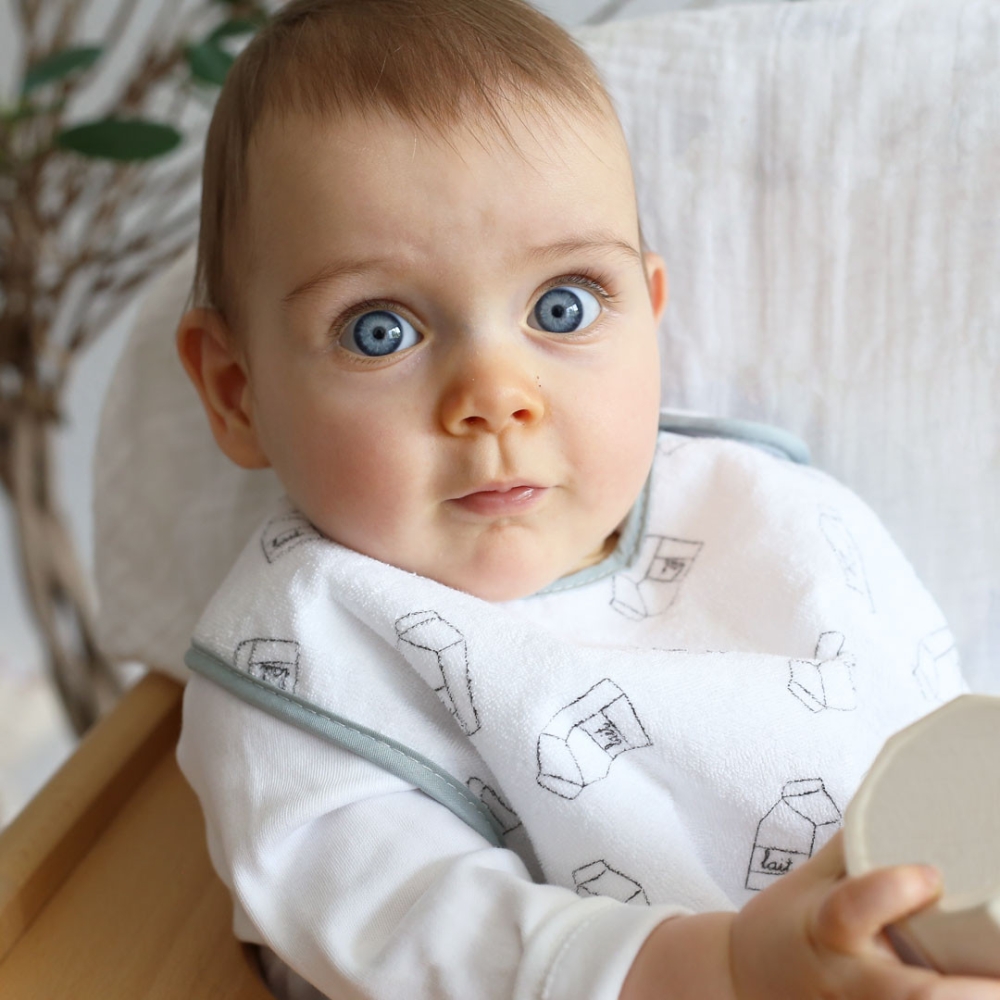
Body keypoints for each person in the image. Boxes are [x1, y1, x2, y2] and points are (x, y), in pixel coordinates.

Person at [172, 1, 992, 998]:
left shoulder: (756, 519)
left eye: (561, 305)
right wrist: (721, 967)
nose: (495, 397)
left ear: (647, 314)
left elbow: (943, 745)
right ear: (237, 390)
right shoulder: (305, 658)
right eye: (379, 330)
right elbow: (415, 928)